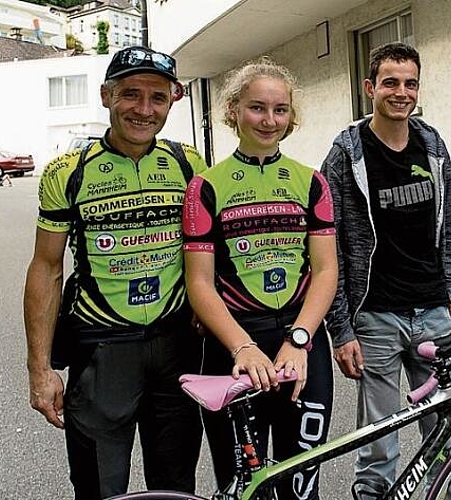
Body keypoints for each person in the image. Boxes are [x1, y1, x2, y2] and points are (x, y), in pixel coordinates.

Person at [23, 46, 208, 500]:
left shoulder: (190, 164)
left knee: (176, 488)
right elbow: (46, 268)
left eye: (157, 98)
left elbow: (211, 253)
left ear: (175, 99)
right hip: (101, 351)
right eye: (131, 94)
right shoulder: (68, 171)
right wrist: (39, 369)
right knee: (99, 489)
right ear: (107, 96)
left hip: (176, 349)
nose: (144, 110)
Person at [181, 58, 337, 500]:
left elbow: (326, 271)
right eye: (257, 108)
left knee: (300, 483)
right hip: (234, 343)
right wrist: (243, 347)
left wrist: (301, 340)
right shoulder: (205, 186)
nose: (269, 120)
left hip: (302, 344)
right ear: (233, 111)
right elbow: (200, 283)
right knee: (240, 487)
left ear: (291, 116)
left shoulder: (312, 182)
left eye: (280, 109)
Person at [320, 42, 451, 498]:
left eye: (410, 83)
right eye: (391, 83)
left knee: (446, 432)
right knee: (378, 445)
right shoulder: (347, 154)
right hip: (375, 316)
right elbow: (328, 246)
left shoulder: (432, 143)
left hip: (433, 313)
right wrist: (340, 329)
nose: (402, 92)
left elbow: (450, 226)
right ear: (370, 88)